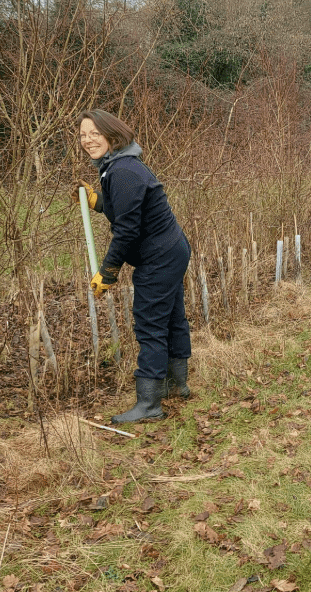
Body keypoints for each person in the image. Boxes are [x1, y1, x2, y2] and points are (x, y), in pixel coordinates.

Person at [76, 109, 192, 423]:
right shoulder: (120, 164)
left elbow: (127, 230)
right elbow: (127, 206)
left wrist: (108, 271)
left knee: (150, 324)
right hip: (171, 250)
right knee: (170, 317)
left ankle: (149, 405)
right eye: (84, 135)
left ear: (111, 135)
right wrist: (98, 201)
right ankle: (176, 384)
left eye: (94, 134)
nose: (88, 140)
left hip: (160, 257)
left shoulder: (122, 170)